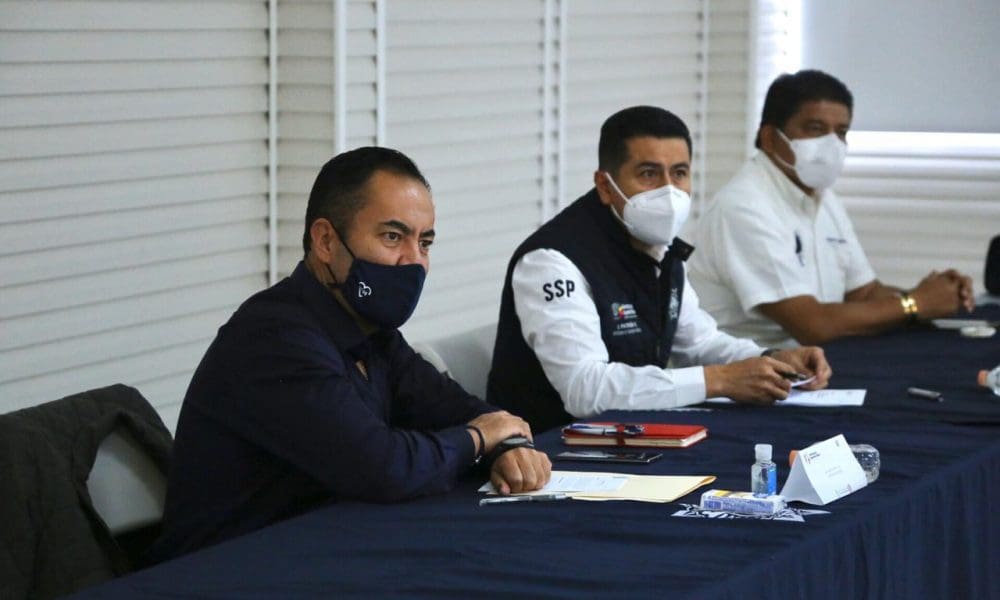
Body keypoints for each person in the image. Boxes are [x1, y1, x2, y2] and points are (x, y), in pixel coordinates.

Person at [149, 147, 551, 562]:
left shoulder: (372, 332)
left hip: (318, 551)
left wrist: (505, 446)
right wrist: (481, 438)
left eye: (424, 242)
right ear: (326, 241)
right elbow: (385, 467)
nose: (414, 261)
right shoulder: (274, 337)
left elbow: (454, 407)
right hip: (225, 569)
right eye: (392, 237)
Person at [486, 106, 832, 434]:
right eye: (649, 174)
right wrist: (719, 380)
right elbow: (585, 389)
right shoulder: (551, 261)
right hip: (546, 452)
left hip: (631, 436)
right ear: (605, 186)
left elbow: (699, 341)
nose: (668, 192)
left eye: (679, 173)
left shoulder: (659, 246)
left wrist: (771, 360)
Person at [688, 70, 975, 348]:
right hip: (749, 368)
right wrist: (914, 304)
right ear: (770, 138)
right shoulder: (744, 207)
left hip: (818, 360)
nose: (832, 144)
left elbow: (864, 293)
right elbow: (812, 325)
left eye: (841, 132)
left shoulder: (822, 197)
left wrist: (937, 296)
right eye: (815, 129)